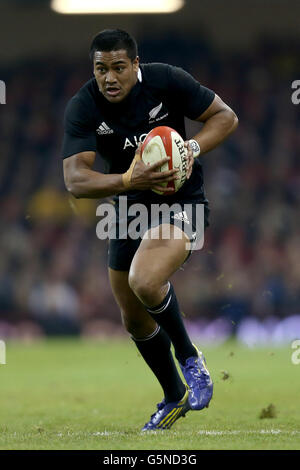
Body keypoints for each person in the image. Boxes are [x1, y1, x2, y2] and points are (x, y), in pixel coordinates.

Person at [62, 29, 238, 431]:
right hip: (127, 211)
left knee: (145, 280)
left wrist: (190, 149)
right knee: (133, 317)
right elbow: (75, 180)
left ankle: (190, 357)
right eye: (101, 68)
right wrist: (129, 180)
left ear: (136, 65)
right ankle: (174, 395)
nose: (109, 77)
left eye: (118, 68)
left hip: (182, 202)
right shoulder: (83, 105)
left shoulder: (167, 80)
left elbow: (226, 117)